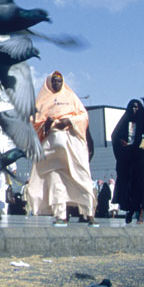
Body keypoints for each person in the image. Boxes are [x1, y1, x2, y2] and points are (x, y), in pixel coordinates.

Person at [27, 71, 96, 226]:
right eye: (54, 81)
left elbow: (83, 116)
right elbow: (34, 123)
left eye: (59, 81)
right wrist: (46, 124)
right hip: (52, 146)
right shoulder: (42, 101)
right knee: (55, 181)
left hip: (72, 144)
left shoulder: (71, 97)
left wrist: (69, 121)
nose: (56, 83)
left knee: (81, 176)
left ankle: (89, 212)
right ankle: (60, 215)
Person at [111, 98, 144, 224]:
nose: (134, 110)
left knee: (140, 186)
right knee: (128, 187)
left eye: (136, 107)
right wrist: (121, 142)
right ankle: (130, 210)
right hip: (127, 159)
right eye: (132, 107)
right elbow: (115, 136)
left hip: (140, 160)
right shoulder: (124, 123)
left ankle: (140, 212)